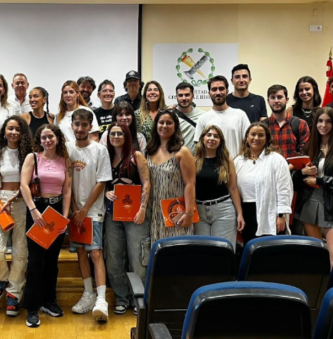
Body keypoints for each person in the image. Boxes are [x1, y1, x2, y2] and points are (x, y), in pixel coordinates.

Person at [20, 124, 73, 328]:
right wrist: (33, 210)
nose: (47, 140)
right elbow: (23, 185)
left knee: (52, 260)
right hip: (37, 210)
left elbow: (67, 190)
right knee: (35, 261)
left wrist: (65, 217)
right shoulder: (32, 158)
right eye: (43, 137)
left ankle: (49, 301)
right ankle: (32, 307)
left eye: (51, 136)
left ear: (57, 138)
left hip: (57, 210)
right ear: (39, 140)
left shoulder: (64, 160)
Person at [0, 116, 33, 317]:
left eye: (17, 129)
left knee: (21, 249)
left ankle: (13, 293)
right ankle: (1, 278)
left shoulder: (29, 155)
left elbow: (28, 183)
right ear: (4, 131)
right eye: (10, 128)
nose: (13, 132)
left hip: (21, 201)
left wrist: (15, 198)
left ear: (22, 133)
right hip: (1, 201)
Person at [293, 107, 333, 266]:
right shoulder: (309, 146)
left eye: (328, 121)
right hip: (310, 201)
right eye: (320, 121)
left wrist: (320, 180)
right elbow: (296, 178)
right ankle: (320, 288)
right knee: (316, 253)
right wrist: (303, 172)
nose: (324, 125)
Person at [66, 110, 112, 322]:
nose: (80, 128)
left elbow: (102, 181)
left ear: (90, 125)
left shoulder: (100, 150)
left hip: (93, 210)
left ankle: (101, 300)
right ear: (72, 125)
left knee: (95, 252)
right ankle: (88, 293)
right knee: (81, 253)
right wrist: (75, 207)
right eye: (77, 124)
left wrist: (85, 209)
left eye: (84, 124)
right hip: (75, 211)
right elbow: (66, 182)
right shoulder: (66, 149)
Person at [103, 123, 150, 315]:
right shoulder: (105, 156)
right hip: (112, 215)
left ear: (127, 135)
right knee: (114, 258)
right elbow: (102, 183)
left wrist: (143, 208)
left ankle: (138, 299)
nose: (115, 136)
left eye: (119, 133)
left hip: (135, 214)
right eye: (112, 133)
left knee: (137, 259)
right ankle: (121, 298)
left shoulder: (136, 156)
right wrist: (107, 193)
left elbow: (146, 182)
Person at [234, 122, 293, 245]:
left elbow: (284, 188)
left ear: (267, 139)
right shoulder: (238, 161)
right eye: (253, 134)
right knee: (251, 248)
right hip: (246, 212)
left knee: (271, 250)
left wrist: (281, 215)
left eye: (261, 135)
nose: (256, 138)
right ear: (247, 137)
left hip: (270, 211)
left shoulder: (276, 159)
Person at [146, 110, 196, 243]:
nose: (164, 126)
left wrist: (189, 213)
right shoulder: (148, 150)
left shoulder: (182, 151)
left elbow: (190, 184)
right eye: (161, 122)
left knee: (178, 255)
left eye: (169, 123)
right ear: (156, 125)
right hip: (153, 212)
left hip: (175, 212)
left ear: (175, 126)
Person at [194, 124, 244, 249]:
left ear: (221, 141)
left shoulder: (227, 161)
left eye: (216, 136)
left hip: (223, 211)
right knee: (203, 251)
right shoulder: (193, 161)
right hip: (199, 211)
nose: (212, 138)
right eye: (208, 135)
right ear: (202, 138)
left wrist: (240, 214)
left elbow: (233, 188)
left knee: (223, 251)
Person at [194, 76, 250, 157]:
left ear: (227, 91)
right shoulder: (202, 119)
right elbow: (199, 148)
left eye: (221, 89)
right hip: (212, 168)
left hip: (237, 167)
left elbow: (249, 142)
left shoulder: (240, 115)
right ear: (209, 93)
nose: (218, 92)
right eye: (214, 89)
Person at [266, 84, 309, 160]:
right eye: (273, 97)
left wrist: (286, 169)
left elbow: (304, 153)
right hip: (270, 171)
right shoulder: (263, 126)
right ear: (268, 101)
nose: (276, 101)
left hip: (294, 170)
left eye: (279, 97)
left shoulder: (300, 124)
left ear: (287, 99)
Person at [174, 82, 204, 153]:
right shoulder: (170, 116)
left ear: (193, 96)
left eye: (187, 95)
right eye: (180, 95)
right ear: (176, 97)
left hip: (197, 158)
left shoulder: (202, 116)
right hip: (176, 157)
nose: (184, 98)